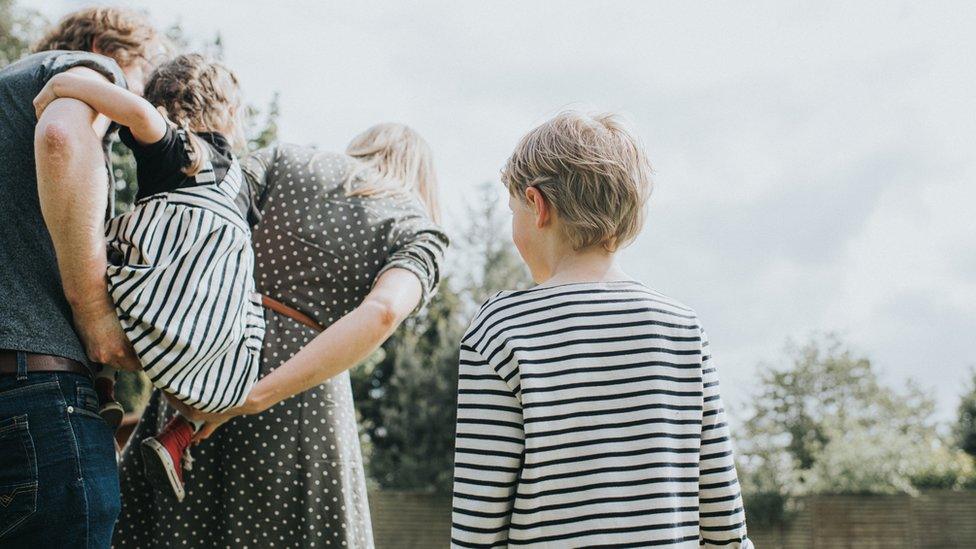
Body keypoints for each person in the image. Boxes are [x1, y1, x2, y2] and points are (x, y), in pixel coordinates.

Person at [114, 123, 449, 547]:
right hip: (301, 406)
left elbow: (202, 206)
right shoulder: (419, 229)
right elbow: (383, 310)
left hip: (207, 360)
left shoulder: (285, 158)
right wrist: (256, 397)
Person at [451, 111, 753, 548]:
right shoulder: (682, 329)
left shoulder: (501, 329)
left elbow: (478, 525)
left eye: (512, 209)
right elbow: (724, 523)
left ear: (537, 206)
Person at [32, 53, 266, 503]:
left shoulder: (181, 150)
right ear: (232, 112)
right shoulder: (241, 183)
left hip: (143, 305)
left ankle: (100, 387)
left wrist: (63, 86)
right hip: (207, 334)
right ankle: (178, 434)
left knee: (92, 258)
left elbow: (136, 113)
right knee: (252, 315)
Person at [0, 7, 162, 547]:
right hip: (35, 396)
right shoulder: (84, 69)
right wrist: (94, 312)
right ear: (107, 47)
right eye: (146, 75)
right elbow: (63, 138)